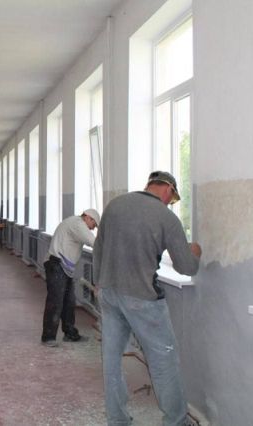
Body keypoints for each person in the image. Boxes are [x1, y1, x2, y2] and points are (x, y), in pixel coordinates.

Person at [93, 171, 202, 426]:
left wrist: (99, 284)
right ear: (168, 189)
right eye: (172, 198)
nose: (170, 203)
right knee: (164, 361)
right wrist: (195, 252)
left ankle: (117, 420)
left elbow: (99, 248)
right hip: (142, 297)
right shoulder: (166, 217)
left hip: (109, 293)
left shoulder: (114, 206)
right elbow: (186, 266)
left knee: (111, 360)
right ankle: (177, 421)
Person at [41, 208, 100, 347]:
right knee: (55, 301)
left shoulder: (74, 223)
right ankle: (48, 337)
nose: (92, 228)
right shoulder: (77, 223)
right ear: (88, 218)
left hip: (63, 268)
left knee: (69, 302)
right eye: (93, 225)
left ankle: (70, 333)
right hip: (56, 265)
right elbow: (94, 243)